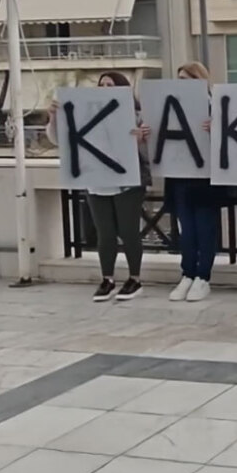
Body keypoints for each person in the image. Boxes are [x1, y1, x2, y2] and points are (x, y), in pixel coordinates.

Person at [45, 72, 151, 302]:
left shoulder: (136, 115)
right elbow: (60, 139)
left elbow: (149, 154)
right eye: (101, 84)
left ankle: (134, 278)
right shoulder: (86, 111)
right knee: (105, 233)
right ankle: (107, 279)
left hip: (126, 184)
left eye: (110, 84)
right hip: (96, 182)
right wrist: (54, 117)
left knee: (129, 231)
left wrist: (140, 140)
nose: (104, 88)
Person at [168, 62, 225, 303]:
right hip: (180, 176)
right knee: (187, 230)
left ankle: (203, 276)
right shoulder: (172, 105)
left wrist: (218, 129)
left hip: (205, 178)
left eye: (187, 79)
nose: (182, 84)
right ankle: (187, 273)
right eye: (180, 79)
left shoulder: (215, 105)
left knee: (205, 228)